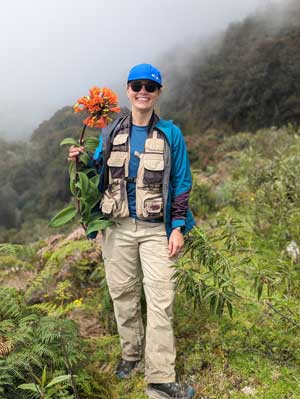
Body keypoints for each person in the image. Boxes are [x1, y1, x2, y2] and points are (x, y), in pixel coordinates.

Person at [69, 63, 195, 399]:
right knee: (122, 295)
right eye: (137, 85)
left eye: (150, 87)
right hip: (117, 227)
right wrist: (79, 161)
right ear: (127, 91)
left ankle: (160, 377)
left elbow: (181, 182)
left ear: (158, 93)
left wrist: (178, 227)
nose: (143, 91)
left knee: (160, 299)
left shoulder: (171, 134)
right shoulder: (111, 132)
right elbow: (98, 174)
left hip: (157, 230)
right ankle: (131, 354)